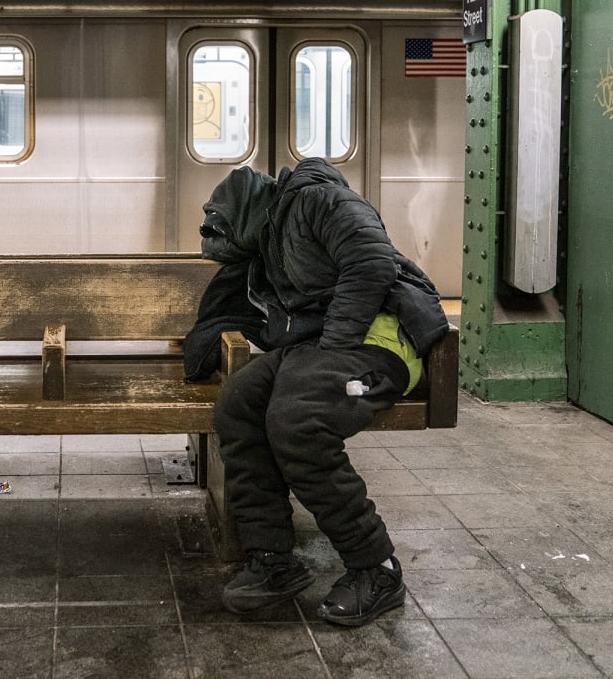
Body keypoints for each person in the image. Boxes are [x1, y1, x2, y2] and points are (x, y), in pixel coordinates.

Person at [191, 157, 447, 627]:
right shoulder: (267, 239)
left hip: (384, 339)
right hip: (326, 344)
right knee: (239, 403)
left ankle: (377, 568)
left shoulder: (316, 200)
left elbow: (371, 262)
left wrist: (332, 347)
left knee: (297, 421)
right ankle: (272, 559)